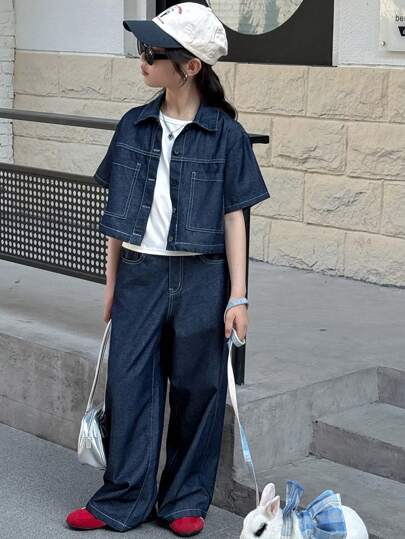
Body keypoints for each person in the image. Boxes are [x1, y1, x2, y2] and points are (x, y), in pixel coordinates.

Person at [66, 2, 270, 536]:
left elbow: (234, 217)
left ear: (190, 66)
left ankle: (183, 501)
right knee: (129, 385)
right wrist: (111, 284)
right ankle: (123, 499)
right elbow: (116, 213)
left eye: (152, 53)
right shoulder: (133, 126)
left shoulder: (226, 134)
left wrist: (239, 297)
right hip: (140, 275)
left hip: (202, 278)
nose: (143, 61)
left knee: (198, 390)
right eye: (143, 50)